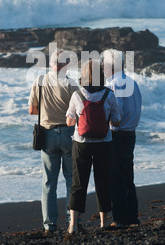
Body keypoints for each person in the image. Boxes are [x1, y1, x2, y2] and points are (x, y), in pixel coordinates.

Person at [66, 59, 120, 233]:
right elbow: (116, 122)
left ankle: (73, 224)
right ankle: (104, 222)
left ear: (83, 75)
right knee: (102, 181)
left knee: (78, 183)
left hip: (81, 144)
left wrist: (80, 119)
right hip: (104, 143)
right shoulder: (109, 95)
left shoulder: (77, 95)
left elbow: (69, 121)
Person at [28, 49, 78, 233]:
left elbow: (32, 110)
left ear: (51, 64)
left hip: (47, 134)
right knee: (71, 180)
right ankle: (72, 222)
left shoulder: (39, 81)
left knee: (49, 182)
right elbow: (78, 111)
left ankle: (49, 225)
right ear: (66, 65)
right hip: (68, 133)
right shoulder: (71, 83)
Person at [102, 49, 142, 227]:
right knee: (127, 177)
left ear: (111, 66)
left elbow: (117, 117)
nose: (102, 67)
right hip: (130, 133)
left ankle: (120, 219)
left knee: (116, 178)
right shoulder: (132, 82)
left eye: (104, 64)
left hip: (118, 135)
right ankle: (132, 217)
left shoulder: (114, 84)